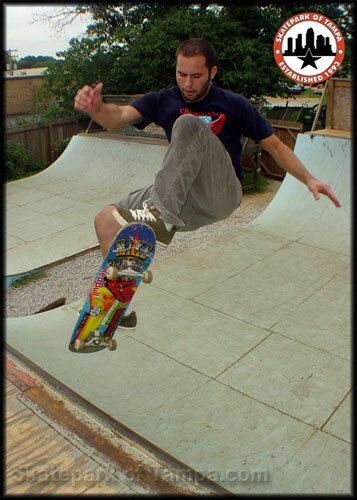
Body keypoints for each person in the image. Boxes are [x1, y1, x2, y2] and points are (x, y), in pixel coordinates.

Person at [74, 38, 341, 329]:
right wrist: (96, 109)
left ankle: (161, 216)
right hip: (181, 198)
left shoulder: (235, 105)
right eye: (181, 74)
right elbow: (119, 117)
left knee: (187, 124)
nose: (187, 84)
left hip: (220, 192)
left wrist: (309, 179)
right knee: (106, 220)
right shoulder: (163, 99)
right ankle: (116, 305)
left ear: (213, 72)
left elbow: (276, 146)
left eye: (196, 76)